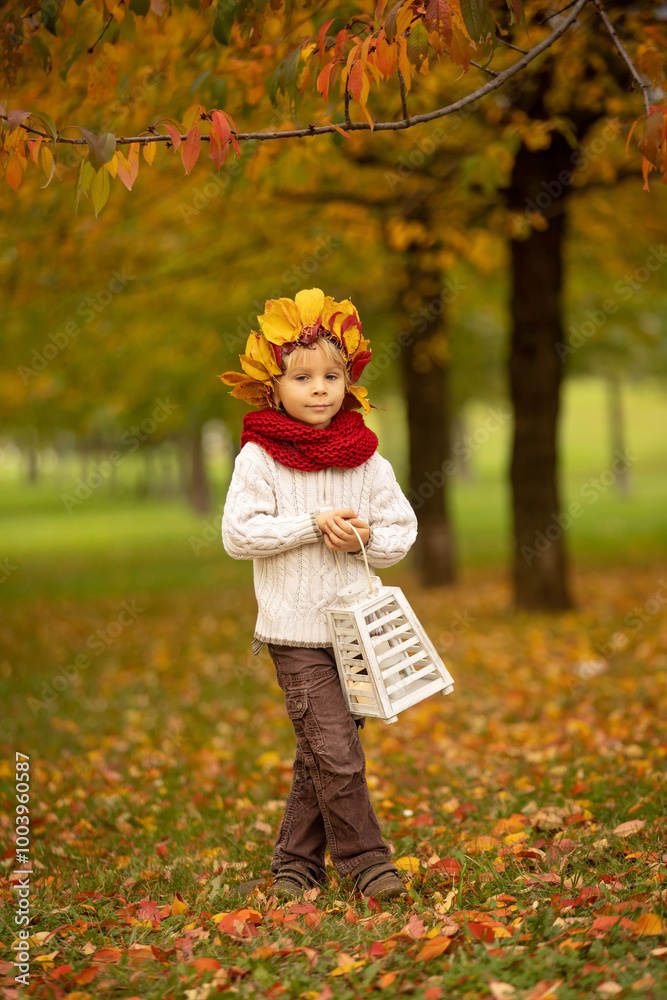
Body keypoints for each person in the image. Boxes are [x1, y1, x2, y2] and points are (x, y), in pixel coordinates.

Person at [220, 288, 418, 900]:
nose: (319, 388)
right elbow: (238, 534)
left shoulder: (366, 460)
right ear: (272, 387)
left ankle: (296, 866)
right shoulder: (260, 458)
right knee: (337, 750)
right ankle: (368, 863)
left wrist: (363, 536)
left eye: (332, 375)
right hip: (295, 633)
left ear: (349, 380)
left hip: (354, 629)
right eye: (302, 376)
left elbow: (400, 532)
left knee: (322, 751)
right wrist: (311, 524)